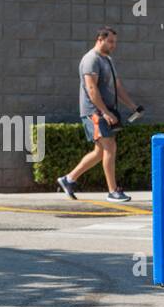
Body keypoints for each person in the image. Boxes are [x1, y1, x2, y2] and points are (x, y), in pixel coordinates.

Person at [57, 27, 140, 203]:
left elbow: (117, 86)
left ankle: (68, 179)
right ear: (100, 39)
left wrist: (133, 106)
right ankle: (113, 191)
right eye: (110, 41)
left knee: (100, 151)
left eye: (115, 42)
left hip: (103, 111)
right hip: (94, 112)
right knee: (110, 147)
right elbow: (91, 88)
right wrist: (105, 112)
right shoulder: (91, 59)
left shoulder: (107, 60)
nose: (113, 45)